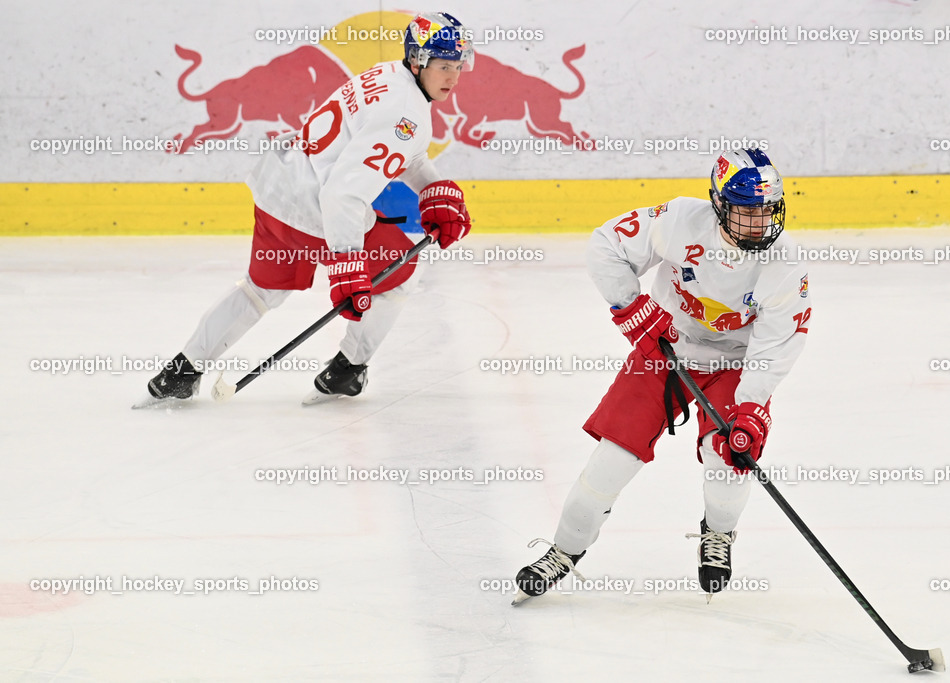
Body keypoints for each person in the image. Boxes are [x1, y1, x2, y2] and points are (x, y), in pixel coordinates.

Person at [514, 149, 812, 601]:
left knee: (730, 459)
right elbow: (605, 245)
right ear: (718, 205)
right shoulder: (678, 220)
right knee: (613, 458)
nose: (759, 222)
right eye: (747, 211)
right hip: (665, 349)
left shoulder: (787, 266)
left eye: (767, 209)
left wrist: (751, 408)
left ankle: (719, 532)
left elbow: (774, 349)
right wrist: (632, 307)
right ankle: (564, 550)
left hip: (735, 362)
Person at [138, 12, 474, 407]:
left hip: (278, 190)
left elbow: (399, 153)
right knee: (401, 273)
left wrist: (432, 189)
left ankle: (179, 374)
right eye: (444, 65)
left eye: (457, 65)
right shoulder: (406, 115)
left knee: (258, 291)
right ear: (418, 62)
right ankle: (346, 371)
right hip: (316, 211)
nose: (453, 76)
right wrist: (348, 261)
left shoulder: (388, 75)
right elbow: (343, 196)